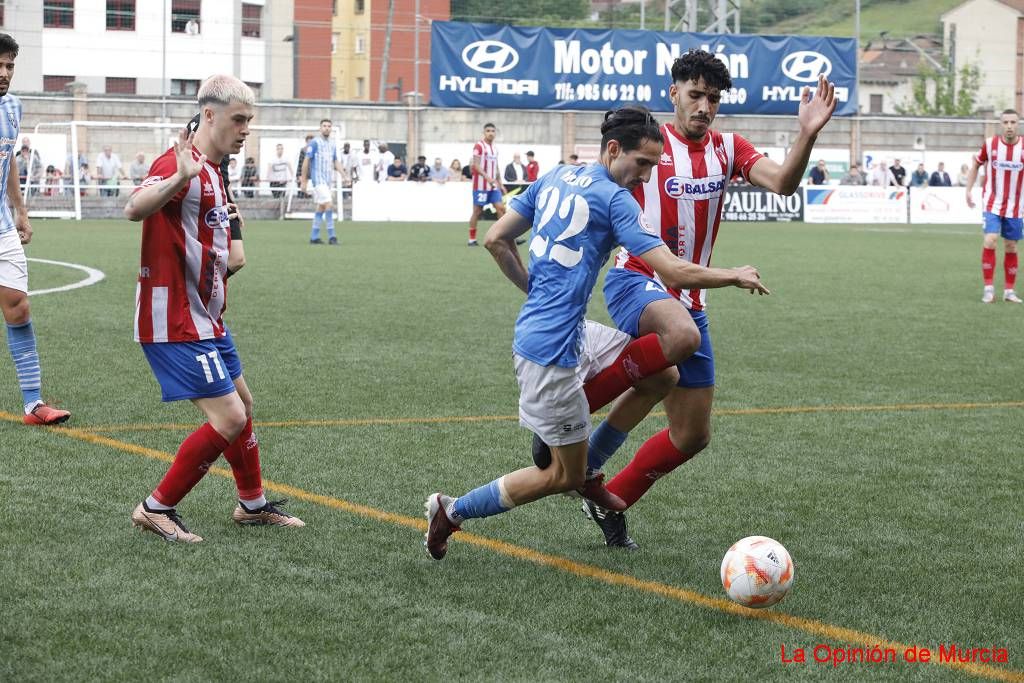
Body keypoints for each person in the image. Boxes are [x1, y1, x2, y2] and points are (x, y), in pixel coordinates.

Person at [423, 106, 769, 561]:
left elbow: (495, 240)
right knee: (558, 478)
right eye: (642, 163)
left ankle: (587, 461)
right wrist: (733, 274)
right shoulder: (616, 199)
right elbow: (672, 272)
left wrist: (537, 291)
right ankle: (452, 511)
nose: (645, 177)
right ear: (612, 149)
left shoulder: (554, 176)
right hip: (550, 355)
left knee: (663, 375)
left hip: (566, 331)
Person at [563, 49, 835, 549]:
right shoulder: (650, 142)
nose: (704, 106)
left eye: (713, 98)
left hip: (691, 295)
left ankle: (609, 500)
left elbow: (783, 183)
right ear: (674, 94)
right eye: (695, 95)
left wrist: (807, 133)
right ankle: (574, 429)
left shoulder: (729, 148)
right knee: (678, 336)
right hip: (636, 279)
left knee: (692, 435)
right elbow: (597, 178)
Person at [124, 74, 304, 543]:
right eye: (238, 119)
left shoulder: (217, 172)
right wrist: (179, 177)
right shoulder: (181, 162)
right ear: (209, 114)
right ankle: (156, 507)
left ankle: (252, 504)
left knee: (243, 406)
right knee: (228, 418)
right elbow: (134, 207)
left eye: (250, 120)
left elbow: (229, 252)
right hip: (175, 319)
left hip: (207, 317)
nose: (246, 129)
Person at [0, 33, 71, 426]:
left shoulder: (13, 108)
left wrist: (20, 211)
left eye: (9, 65)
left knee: (19, 306)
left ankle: (32, 405)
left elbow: (8, 157)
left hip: (2, 225)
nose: (4, 73)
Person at [967, 109, 1024, 304]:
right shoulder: (990, 144)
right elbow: (975, 164)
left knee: (1011, 246)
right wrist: (968, 190)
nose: (1009, 126)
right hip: (992, 202)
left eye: (1013, 122)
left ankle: (1009, 291)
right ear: (1001, 124)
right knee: (990, 239)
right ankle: (989, 288)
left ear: (1018, 124)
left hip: (1016, 207)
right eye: (1006, 122)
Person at [300, 118, 343, 245]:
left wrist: (344, 175)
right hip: (317, 180)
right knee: (329, 204)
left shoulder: (332, 144)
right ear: (320, 128)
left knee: (321, 207)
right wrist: (303, 180)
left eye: (329, 126)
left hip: (328, 181)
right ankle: (332, 237)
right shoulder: (314, 143)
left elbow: (335, 162)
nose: (327, 128)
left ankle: (314, 237)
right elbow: (306, 161)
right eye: (324, 126)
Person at [468, 122, 505, 246]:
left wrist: (500, 182)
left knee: (501, 208)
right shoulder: (479, 146)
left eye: (493, 131)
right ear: (484, 133)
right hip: (480, 186)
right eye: (488, 131)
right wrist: (488, 178)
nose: (490, 133)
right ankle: (472, 239)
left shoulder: (495, 148)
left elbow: (496, 167)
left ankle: (505, 236)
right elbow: (476, 165)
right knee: (477, 211)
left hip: (493, 186)